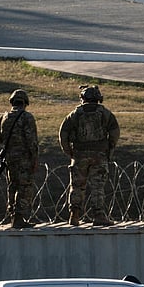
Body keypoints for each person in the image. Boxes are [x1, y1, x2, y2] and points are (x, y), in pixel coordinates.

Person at [58, 85, 119, 227]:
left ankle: (74, 215)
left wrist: (69, 152)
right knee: (98, 186)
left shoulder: (75, 114)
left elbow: (63, 134)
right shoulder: (105, 113)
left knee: (77, 185)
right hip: (99, 155)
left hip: (79, 155)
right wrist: (110, 148)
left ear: (83, 98)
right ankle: (99, 215)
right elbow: (115, 132)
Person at [0, 89, 39, 229]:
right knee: (25, 187)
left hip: (9, 158)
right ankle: (19, 217)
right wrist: (35, 159)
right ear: (25, 103)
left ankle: (12, 215)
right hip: (24, 158)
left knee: (12, 186)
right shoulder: (27, 117)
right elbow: (32, 141)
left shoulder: (3, 117)